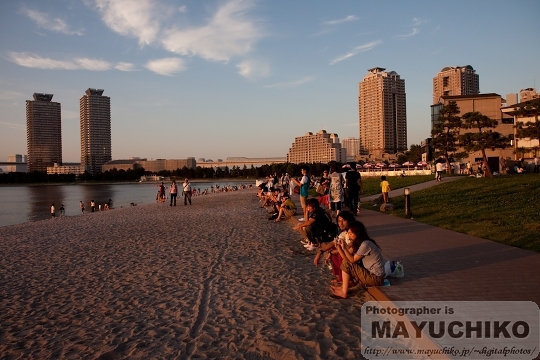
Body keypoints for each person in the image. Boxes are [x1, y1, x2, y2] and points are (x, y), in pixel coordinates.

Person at [330, 221, 385, 299]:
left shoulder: (365, 244)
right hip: (371, 274)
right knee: (345, 262)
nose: (349, 236)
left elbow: (351, 261)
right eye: (348, 233)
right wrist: (339, 247)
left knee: (347, 263)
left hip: (376, 278)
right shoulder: (358, 243)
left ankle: (343, 292)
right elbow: (345, 258)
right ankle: (343, 288)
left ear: (358, 233)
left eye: (351, 234)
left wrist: (345, 248)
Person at [313, 211, 356, 285]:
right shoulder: (344, 233)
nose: (341, 223)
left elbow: (349, 248)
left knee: (338, 254)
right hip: (349, 256)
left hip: (356, 259)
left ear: (349, 220)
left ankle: (348, 280)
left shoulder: (353, 232)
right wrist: (320, 252)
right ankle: (341, 277)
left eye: (344, 220)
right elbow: (333, 242)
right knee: (332, 249)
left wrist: (330, 253)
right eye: (339, 221)